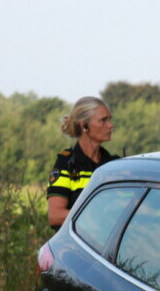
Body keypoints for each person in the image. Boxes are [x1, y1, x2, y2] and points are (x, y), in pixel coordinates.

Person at [46, 97, 117, 228]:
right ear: (84, 126)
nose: (110, 125)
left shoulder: (114, 165)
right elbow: (55, 216)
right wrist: (94, 215)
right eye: (103, 120)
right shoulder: (66, 164)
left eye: (110, 119)